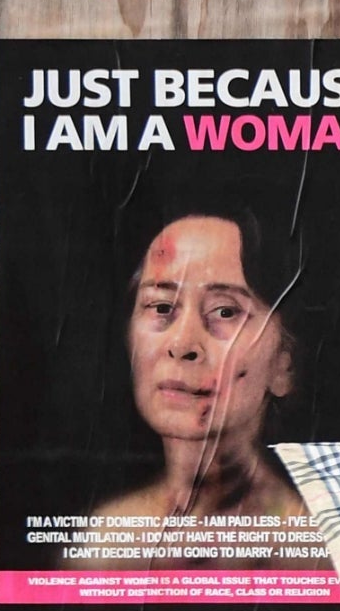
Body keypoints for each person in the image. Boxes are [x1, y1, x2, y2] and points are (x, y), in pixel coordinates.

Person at [92, 206, 313, 567]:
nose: (183, 344)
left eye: (225, 312)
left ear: (283, 364)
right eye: (162, 306)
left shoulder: (321, 553)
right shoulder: (101, 545)